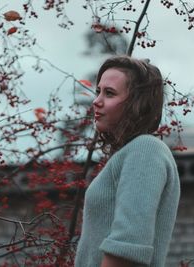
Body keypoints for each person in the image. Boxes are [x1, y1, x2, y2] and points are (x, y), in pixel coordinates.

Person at [74, 56, 180, 267]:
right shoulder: (130, 153)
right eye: (98, 91)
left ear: (136, 102)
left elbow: (127, 249)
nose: (96, 101)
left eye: (110, 93)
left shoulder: (145, 150)